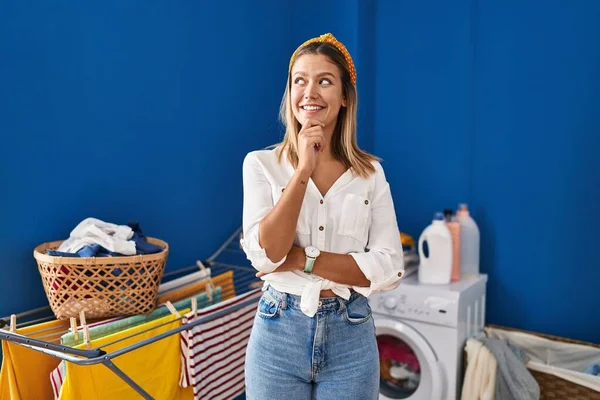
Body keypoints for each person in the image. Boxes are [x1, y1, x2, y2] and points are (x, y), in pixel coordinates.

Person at [241, 32, 405, 400]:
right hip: (277, 332)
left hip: (352, 333)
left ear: (344, 97)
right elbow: (267, 255)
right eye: (299, 80)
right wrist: (303, 171)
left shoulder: (370, 175)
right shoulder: (261, 165)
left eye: (324, 81)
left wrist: (303, 258)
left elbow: (390, 267)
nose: (309, 92)